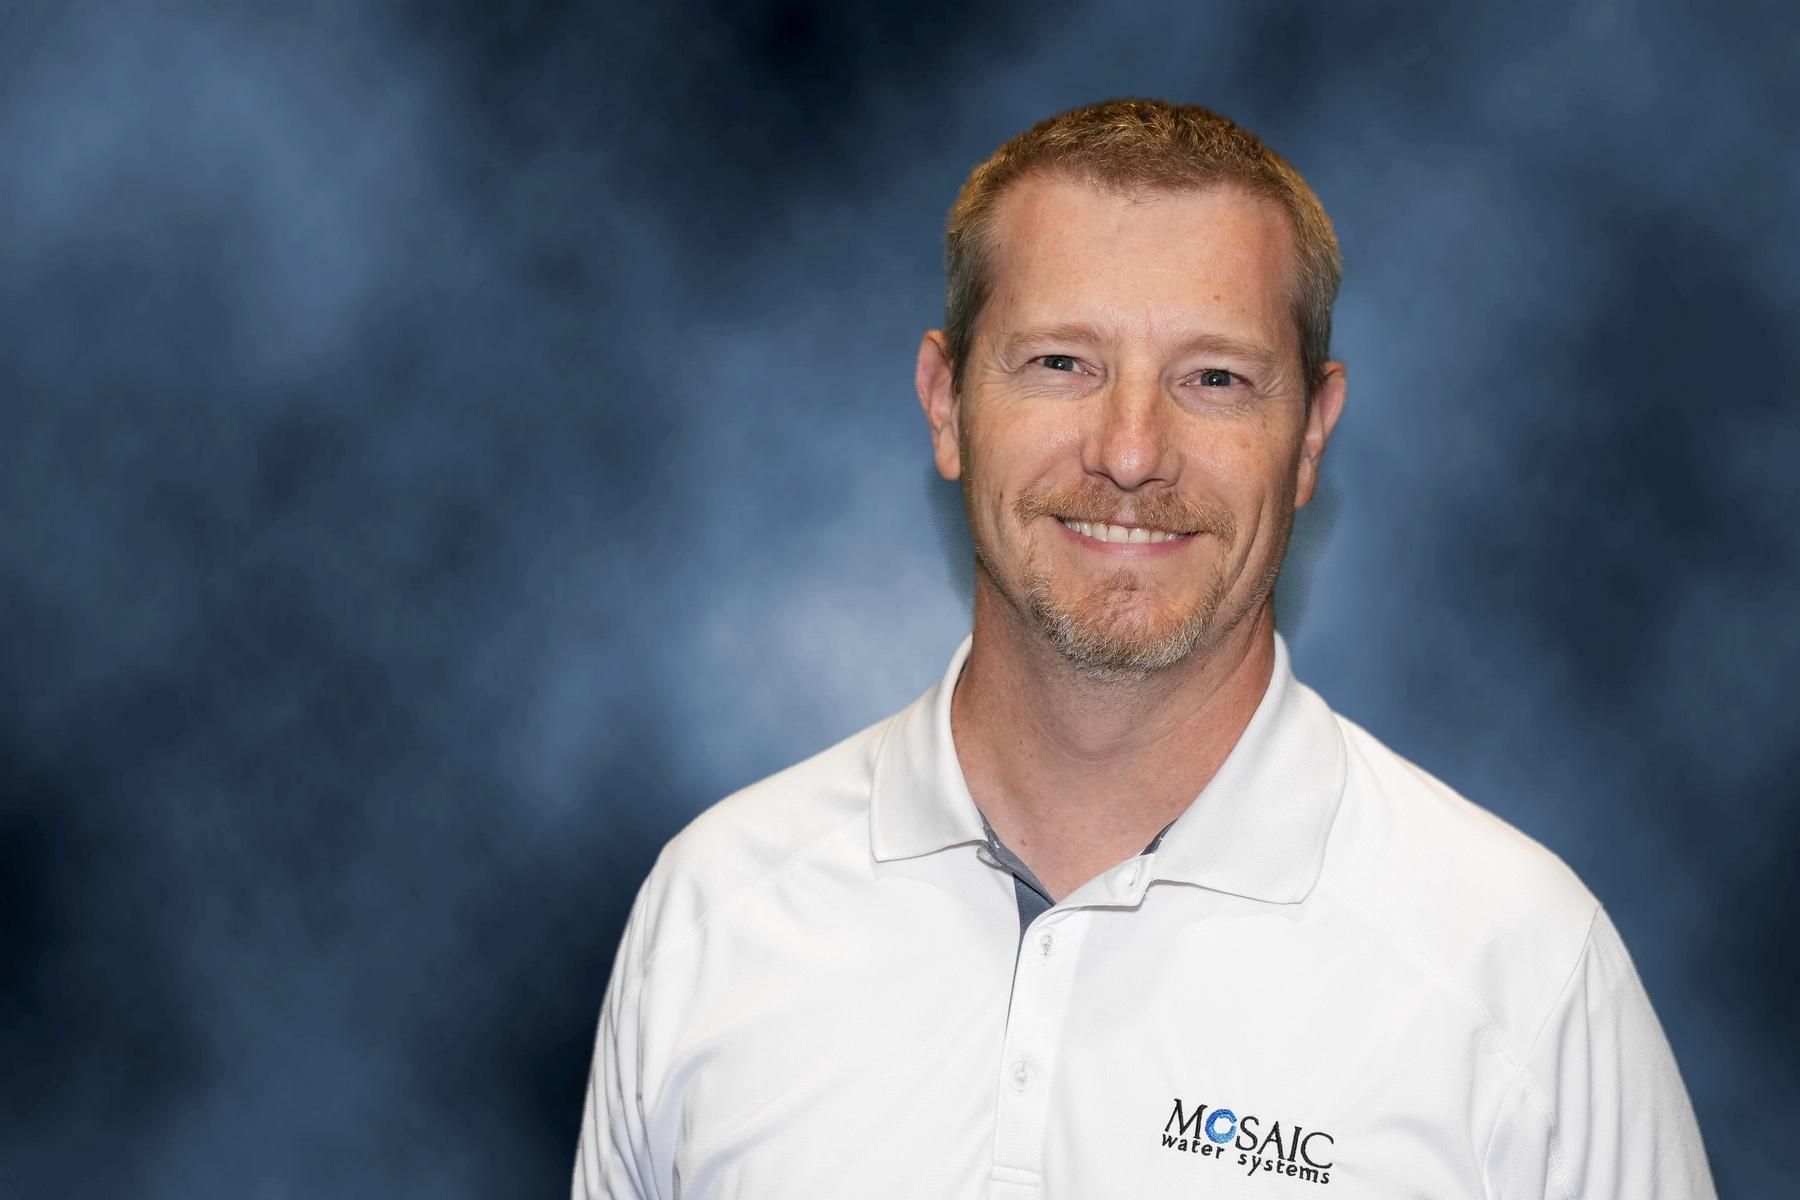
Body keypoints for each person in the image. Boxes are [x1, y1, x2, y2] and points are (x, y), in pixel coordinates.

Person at [571, 98, 1717, 1198]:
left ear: (1310, 435)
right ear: (945, 403)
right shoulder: (715, 913)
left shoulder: (1518, 971)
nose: (1129, 452)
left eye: (1214, 378)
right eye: (1061, 363)